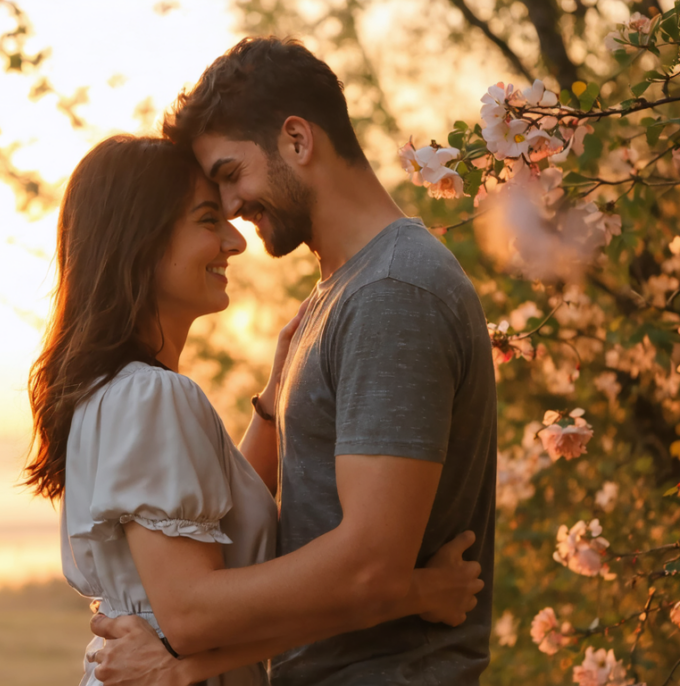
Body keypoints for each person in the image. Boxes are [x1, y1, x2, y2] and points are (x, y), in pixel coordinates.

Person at [88, 38, 498, 686]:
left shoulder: (392, 292)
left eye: (230, 174)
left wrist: (182, 664)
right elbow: (239, 531)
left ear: (298, 140)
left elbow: (369, 566)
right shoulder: (346, 294)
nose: (230, 210)